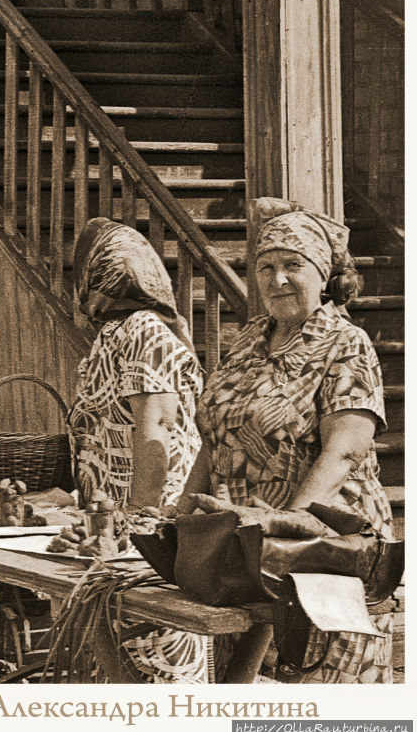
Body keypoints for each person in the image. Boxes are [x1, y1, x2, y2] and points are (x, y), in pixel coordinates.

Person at [184, 198, 394, 683]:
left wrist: (286, 528)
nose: (277, 279)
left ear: (323, 275)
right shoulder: (248, 341)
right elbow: (214, 436)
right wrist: (182, 512)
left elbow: (344, 450)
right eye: (265, 266)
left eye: (293, 266)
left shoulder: (345, 343)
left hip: (322, 549)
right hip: (243, 553)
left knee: (319, 694)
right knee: (253, 692)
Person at [67, 217, 207, 682]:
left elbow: (156, 433)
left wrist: (142, 534)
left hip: (146, 540)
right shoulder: (115, 334)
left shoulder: (145, 331)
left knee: (159, 671)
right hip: (115, 538)